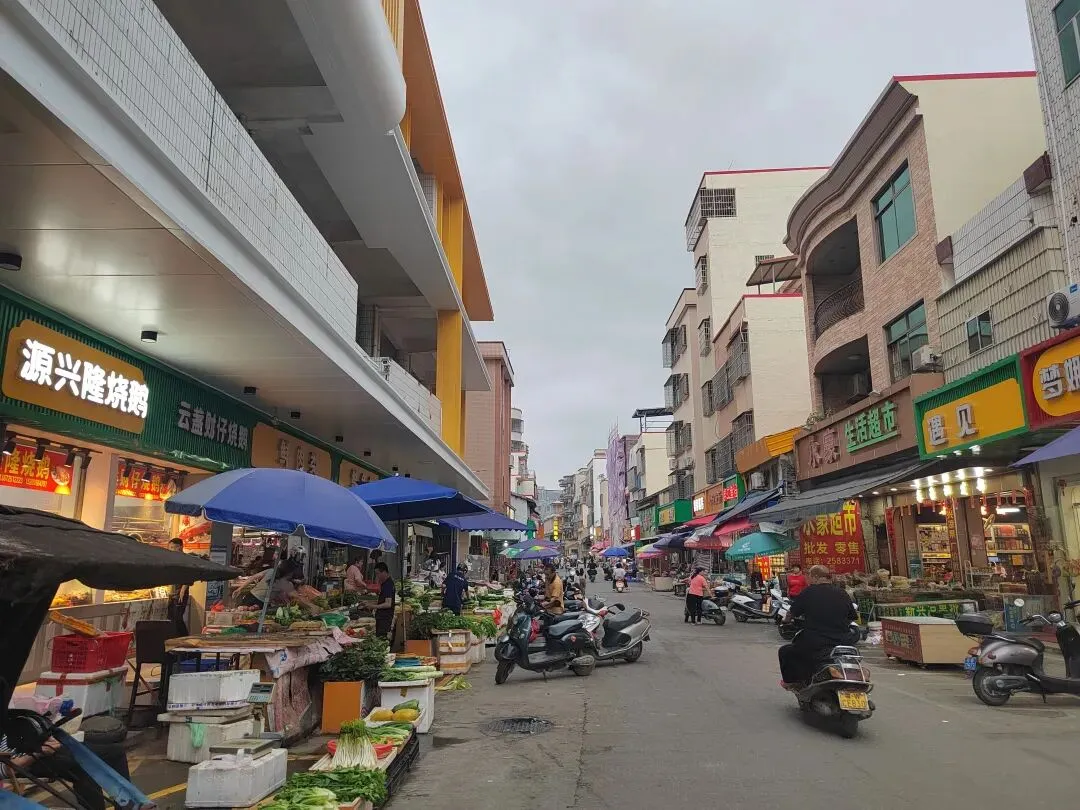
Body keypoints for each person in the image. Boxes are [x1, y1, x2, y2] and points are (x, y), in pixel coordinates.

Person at [777, 565, 857, 688]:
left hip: (815, 641)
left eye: (809, 576)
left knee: (786, 652)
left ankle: (792, 682)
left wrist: (786, 621)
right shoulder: (842, 593)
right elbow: (852, 616)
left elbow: (791, 613)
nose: (807, 579)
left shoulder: (809, 592)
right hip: (843, 641)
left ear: (815, 577)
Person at [166, 537, 190, 636]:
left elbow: (190, 576)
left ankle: (184, 638)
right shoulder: (173, 559)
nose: (171, 549)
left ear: (180, 547)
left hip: (180, 594)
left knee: (177, 619)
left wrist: (183, 590)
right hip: (173, 593)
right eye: (170, 547)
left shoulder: (185, 559)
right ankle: (178, 640)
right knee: (172, 619)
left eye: (173, 547)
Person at [372, 562, 396, 640]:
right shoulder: (385, 583)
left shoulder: (388, 584)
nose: (377, 576)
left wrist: (373, 606)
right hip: (382, 617)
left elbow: (388, 604)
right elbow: (383, 600)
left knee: (381, 639)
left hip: (385, 618)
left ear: (384, 572)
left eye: (378, 573)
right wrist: (370, 603)